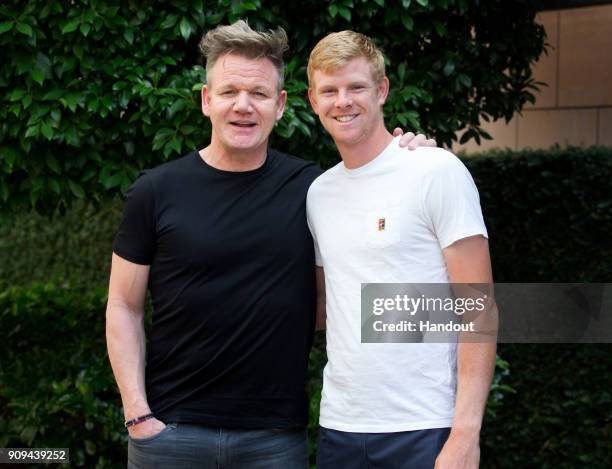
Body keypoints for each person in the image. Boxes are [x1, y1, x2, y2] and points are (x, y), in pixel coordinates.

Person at [105, 20, 433, 468]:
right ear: (206, 100)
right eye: (229, 92)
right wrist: (137, 413)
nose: (243, 106)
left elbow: (339, 295)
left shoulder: (315, 189)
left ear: (280, 105)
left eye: (258, 94)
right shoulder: (155, 191)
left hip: (274, 440)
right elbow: (124, 305)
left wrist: (409, 156)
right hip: (171, 434)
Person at [306, 31, 496, 468]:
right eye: (329, 91)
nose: (343, 101)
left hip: (425, 426)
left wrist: (466, 434)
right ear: (313, 100)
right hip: (340, 427)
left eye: (356, 87)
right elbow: (325, 307)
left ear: (383, 90)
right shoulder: (319, 194)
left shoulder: (435, 171)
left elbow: (479, 308)